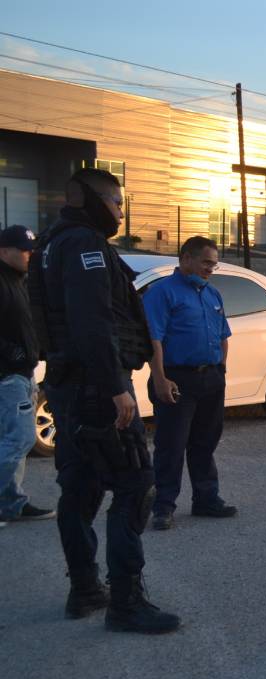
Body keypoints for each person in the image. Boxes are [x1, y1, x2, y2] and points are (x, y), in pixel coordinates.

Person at [27, 167, 180, 633]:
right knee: (136, 484)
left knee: (81, 488)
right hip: (95, 389)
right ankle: (126, 602)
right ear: (90, 199)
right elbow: (91, 322)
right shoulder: (85, 245)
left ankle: (85, 590)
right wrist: (116, 387)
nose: (119, 211)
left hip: (68, 386)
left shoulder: (50, 244)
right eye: (116, 202)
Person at [141, 235, 237, 531]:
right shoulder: (162, 293)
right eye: (206, 262)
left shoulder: (212, 294)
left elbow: (223, 335)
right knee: (171, 445)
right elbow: (153, 339)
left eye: (214, 264)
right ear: (185, 259)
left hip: (211, 378)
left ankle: (206, 499)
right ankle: (163, 506)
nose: (210, 269)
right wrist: (160, 378)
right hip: (177, 379)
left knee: (205, 442)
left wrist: (221, 369)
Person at [0, 225, 56, 526]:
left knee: (12, 442)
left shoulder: (19, 280)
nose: (29, 255)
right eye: (24, 250)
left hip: (22, 374)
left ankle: (12, 504)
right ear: (3, 251)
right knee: (20, 439)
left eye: (32, 250)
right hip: (7, 376)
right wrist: (14, 354)